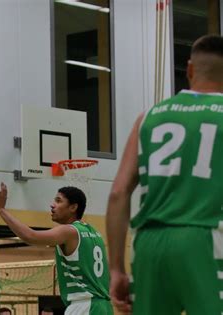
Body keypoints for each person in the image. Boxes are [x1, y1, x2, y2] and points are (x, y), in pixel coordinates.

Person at [106, 34, 223, 315]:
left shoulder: (148, 117)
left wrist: (116, 269)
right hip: (206, 238)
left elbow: (118, 193)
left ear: (190, 69)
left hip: (149, 244)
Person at [0, 183, 112, 314]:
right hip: (104, 306)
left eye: (58, 201)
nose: (52, 205)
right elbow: (108, 273)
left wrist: (1, 209)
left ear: (73, 207)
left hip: (84, 306)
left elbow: (30, 236)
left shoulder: (69, 231)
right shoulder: (95, 234)